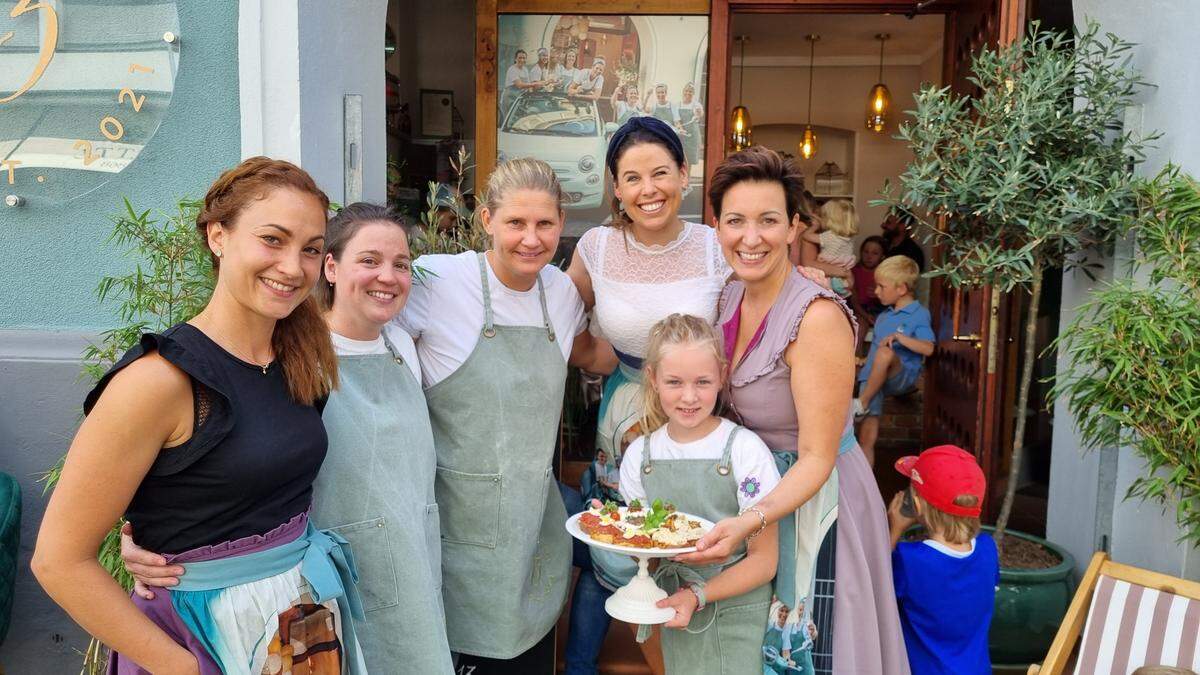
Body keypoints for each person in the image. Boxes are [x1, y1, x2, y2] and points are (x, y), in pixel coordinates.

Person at [33, 157, 364, 674]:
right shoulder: (159, 382)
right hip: (199, 638)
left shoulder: (298, 358)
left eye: (311, 249)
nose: (293, 266)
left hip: (296, 622)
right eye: (272, 240)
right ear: (217, 236)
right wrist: (182, 667)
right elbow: (59, 561)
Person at [118, 204, 457, 672]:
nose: (388, 276)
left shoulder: (402, 344)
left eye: (401, 264)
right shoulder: (294, 357)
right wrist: (144, 533)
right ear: (332, 268)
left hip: (413, 567)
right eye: (370, 260)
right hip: (323, 588)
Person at [680, 146, 910, 674]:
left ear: (794, 228)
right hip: (760, 499)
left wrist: (748, 521)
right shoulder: (730, 295)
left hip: (819, 504)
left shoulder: (816, 317)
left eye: (768, 220)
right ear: (717, 228)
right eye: (735, 220)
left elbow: (817, 457)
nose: (751, 237)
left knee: (816, 651)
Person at [397, 158, 615, 663]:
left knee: (532, 654)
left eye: (544, 223)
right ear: (487, 219)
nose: (531, 239)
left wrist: (679, 361)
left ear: (562, 223)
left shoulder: (560, 293)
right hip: (455, 530)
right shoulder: (437, 283)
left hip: (533, 529)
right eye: (516, 222)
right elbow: (360, 334)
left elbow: (592, 354)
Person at [565, 115, 732, 674]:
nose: (648, 189)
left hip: (701, 410)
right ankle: (592, 663)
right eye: (632, 178)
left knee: (696, 535)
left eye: (660, 172)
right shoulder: (597, 247)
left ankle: (694, 656)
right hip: (626, 409)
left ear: (684, 174)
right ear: (615, 186)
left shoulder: (715, 246)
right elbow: (561, 325)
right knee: (621, 538)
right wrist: (603, 357)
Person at [617, 314, 779, 674]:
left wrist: (698, 595)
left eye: (703, 382)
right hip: (675, 608)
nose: (689, 396)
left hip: (738, 610)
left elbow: (764, 561)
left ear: (722, 375)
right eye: (674, 381)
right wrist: (617, 529)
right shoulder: (640, 456)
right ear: (653, 379)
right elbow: (647, 555)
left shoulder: (744, 450)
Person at [888, 445, 998, 675]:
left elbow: (875, 592)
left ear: (916, 505)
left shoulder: (909, 561)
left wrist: (893, 530)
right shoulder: (988, 550)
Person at [853, 255, 934, 466]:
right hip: (873, 380)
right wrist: (862, 360)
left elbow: (929, 348)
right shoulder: (883, 317)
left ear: (902, 289)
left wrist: (900, 338)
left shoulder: (919, 314)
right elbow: (874, 352)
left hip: (900, 377)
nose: (876, 292)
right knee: (865, 440)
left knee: (886, 353)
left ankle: (862, 403)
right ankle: (864, 491)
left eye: (881, 286)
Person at [800, 199, 858, 297]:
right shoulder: (847, 238)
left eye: (822, 216)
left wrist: (815, 226)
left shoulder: (828, 236)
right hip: (842, 279)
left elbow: (806, 236)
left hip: (831, 278)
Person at [501, 49, 538, 121]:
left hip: (518, 98)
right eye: (520, 58)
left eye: (524, 58)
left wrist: (531, 95)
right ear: (515, 59)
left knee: (519, 120)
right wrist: (534, 84)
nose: (522, 60)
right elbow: (519, 85)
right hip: (509, 98)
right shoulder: (512, 69)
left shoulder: (525, 70)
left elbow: (528, 84)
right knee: (508, 119)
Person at [677, 82, 704, 168]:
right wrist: (680, 129)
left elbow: (700, 114)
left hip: (692, 136)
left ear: (693, 93)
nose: (688, 93)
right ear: (683, 91)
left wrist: (699, 113)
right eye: (686, 91)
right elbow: (676, 120)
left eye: (690, 92)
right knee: (679, 160)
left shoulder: (696, 105)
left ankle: (687, 180)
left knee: (689, 161)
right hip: (681, 135)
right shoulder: (678, 104)